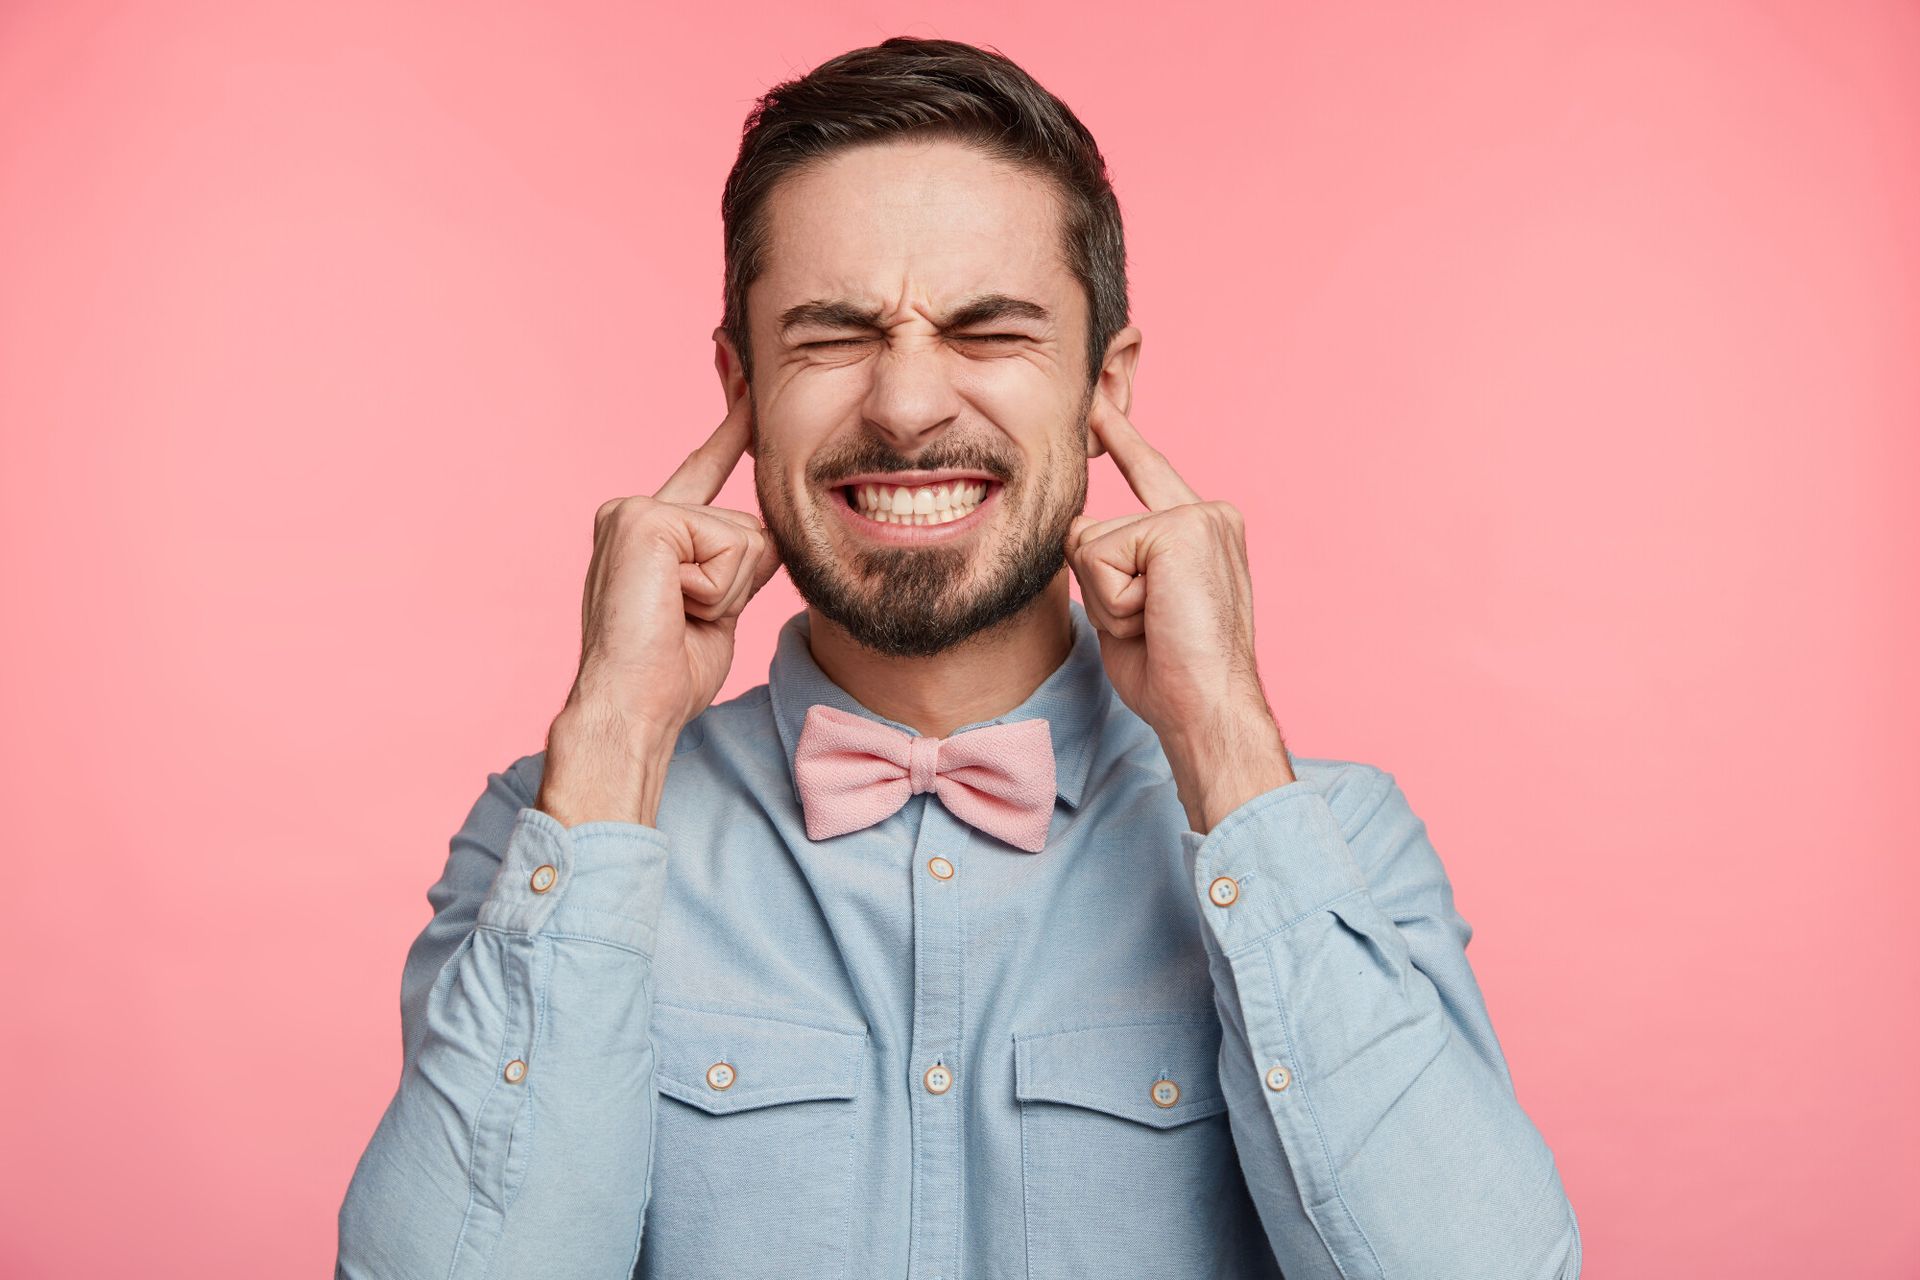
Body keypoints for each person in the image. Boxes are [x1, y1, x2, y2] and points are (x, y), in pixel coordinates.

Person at [335, 36, 1581, 1280]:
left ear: (1108, 388)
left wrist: (1227, 748)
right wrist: (610, 746)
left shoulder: (1334, 845)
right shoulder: (545, 840)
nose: (909, 404)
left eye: (990, 331)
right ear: (743, 386)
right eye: (830, 337)